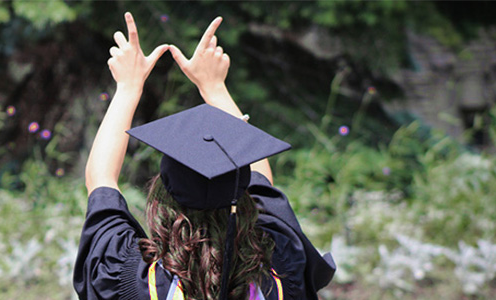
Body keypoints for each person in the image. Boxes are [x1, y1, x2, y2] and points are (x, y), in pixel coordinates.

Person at [74, 12, 335, 300]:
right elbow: (262, 181)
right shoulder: (281, 267)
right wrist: (215, 87)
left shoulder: (131, 279)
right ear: (244, 202)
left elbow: (100, 181)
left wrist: (128, 87)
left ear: (163, 203)